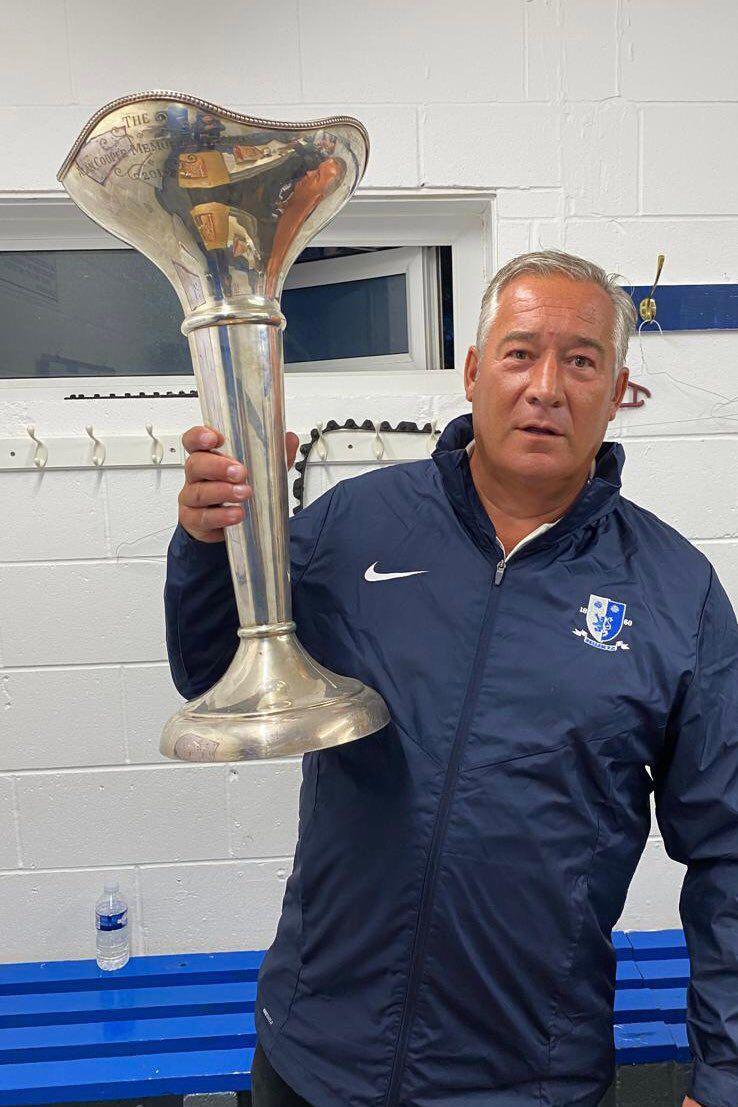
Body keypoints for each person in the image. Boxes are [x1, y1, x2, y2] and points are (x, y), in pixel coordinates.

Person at [164, 251, 738, 1107]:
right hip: (318, 1058)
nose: (546, 385)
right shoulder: (352, 526)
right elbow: (211, 672)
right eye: (519, 352)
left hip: (527, 1078)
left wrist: (723, 1076)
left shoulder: (674, 591)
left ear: (617, 393)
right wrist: (212, 547)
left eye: (581, 360)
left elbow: (728, 845)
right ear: (473, 373)